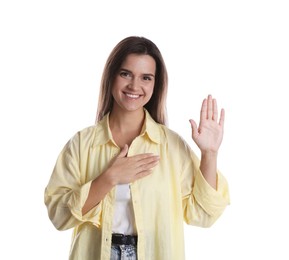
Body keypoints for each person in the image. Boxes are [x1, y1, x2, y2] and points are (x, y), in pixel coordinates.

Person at [44, 36, 230, 260]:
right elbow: (58, 215)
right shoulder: (82, 144)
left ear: (155, 84)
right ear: (111, 76)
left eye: (146, 78)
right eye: (125, 74)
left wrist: (209, 154)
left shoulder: (171, 146)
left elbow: (203, 214)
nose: (134, 86)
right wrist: (108, 178)